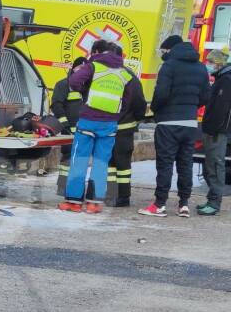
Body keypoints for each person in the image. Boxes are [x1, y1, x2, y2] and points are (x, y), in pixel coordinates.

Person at [58, 40, 137, 214]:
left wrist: (85, 91)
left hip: (88, 120)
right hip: (109, 124)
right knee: (101, 163)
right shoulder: (125, 74)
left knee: (79, 160)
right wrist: (115, 116)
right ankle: (93, 203)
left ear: (99, 52)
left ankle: (73, 202)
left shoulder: (94, 66)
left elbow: (73, 82)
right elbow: (127, 101)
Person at [139, 37, 211, 217]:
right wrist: (191, 107)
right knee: (185, 164)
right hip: (190, 123)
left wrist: (155, 109)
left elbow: (161, 93)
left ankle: (160, 204)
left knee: (165, 164)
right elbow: (205, 97)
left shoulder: (169, 66)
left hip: (168, 123)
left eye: (163, 52)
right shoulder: (201, 67)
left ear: (170, 49)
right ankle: (184, 204)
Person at [105, 63, 147, 208]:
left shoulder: (104, 75)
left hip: (107, 127)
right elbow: (140, 103)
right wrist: (136, 118)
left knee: (110, 162)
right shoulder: (130, 77)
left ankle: (110, 195)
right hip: (125, 129)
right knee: (123, 164)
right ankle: (123, 197)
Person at [197, 48, 231, 215]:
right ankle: (211, 200)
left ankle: (214, 203)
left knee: (216, 166)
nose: (208, 65)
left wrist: (213, 129)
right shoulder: (222, 78)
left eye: (210, 62)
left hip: (217, 131)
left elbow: (222, 109)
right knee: (211, 165)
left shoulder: (226, 80)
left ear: (218, 63)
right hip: (216, 129)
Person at [51, 57, 86, 196]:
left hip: (84, 131)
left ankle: (76, 188)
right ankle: (62, 186)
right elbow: (56, 105)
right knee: (67, 159)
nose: (82, 72)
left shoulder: (86, 87)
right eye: (79, 68)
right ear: (73, 68)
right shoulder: (64, 85)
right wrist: (64, 124)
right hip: (69, 131)